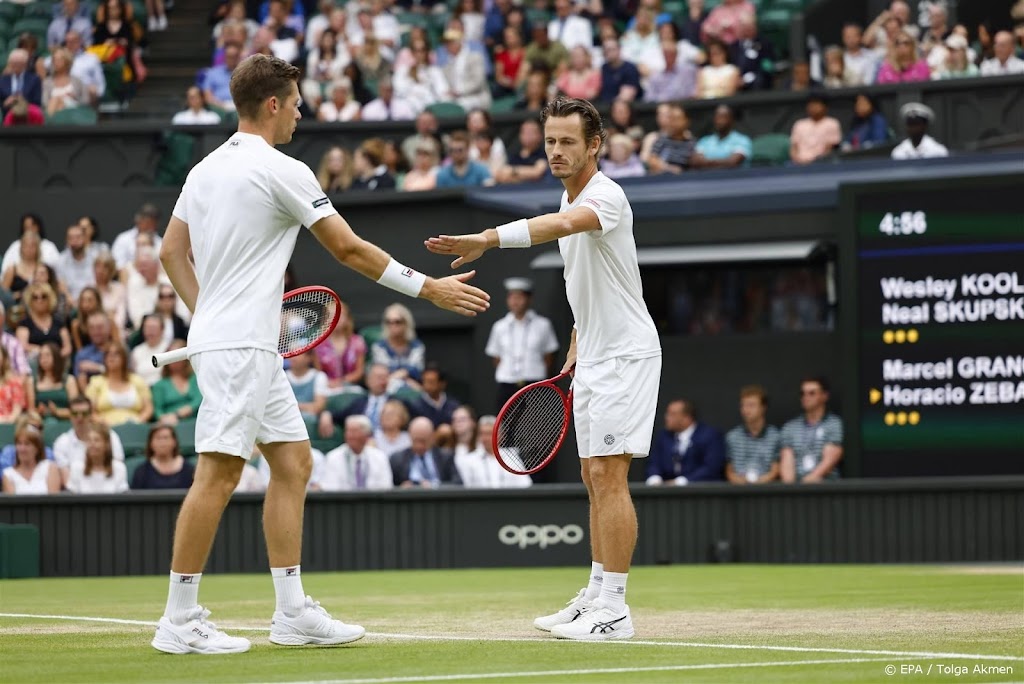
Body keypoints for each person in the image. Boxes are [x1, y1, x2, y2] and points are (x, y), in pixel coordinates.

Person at [151, 54, 489, 654]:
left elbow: (172, 254)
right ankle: (178, 618)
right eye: (298, 102)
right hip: (240, 347)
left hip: (233, 340)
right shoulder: (286, 169)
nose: (303, 112)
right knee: (221, 472)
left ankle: (291, 613)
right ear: (275, 104)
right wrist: (429, 287)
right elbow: (350, 251)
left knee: (294, 463)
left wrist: (206, 316)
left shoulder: (203, 169)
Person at [426, 96, 662, 641]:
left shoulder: (606, 197)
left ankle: (617, 609)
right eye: (550, 141)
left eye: (567, 142)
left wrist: (486, 239)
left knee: (610, 476)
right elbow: (591, 285)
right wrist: (578, 339)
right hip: (597, 352)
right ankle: (597, 594)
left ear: (594, 145)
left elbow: (556, 227)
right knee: (592, 477)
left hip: (626, 355)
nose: (556, 151)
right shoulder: (568, 191)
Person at [485, 277, 559, 411]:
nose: (515, 302)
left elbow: (549, 356)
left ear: (529, 299)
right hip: (507, 383)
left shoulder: (543, 325)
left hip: (535, 382)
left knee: (536, 422)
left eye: (519, 297)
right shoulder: (499, 327)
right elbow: (496, 357)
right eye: (512, 297)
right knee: (506, 423)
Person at [645, 399, 724, 484]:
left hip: (700, 491)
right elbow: (654, 462)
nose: (666, 417)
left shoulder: (709, 436)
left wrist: (681, 482)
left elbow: (711, 467)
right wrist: (654, 479)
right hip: (666, 491)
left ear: (687, 417)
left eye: (672, 414)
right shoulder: (664, 436)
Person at [780, 376, 843, 482]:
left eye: (812, 393)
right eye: (803, 393)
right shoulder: (790, 427)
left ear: (824, 396)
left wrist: (809, 483)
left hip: (826, 488)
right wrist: (791, 490)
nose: (806, 397)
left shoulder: (833, 423)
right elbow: (787, 462)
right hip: (796, 491)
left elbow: (831, 457)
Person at [52, 396, 127, 482]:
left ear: (91, 415)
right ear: (70, 415)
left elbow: (117, 470)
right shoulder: (61, 442)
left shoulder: (110, 436)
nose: (79, 418)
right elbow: (68, 481)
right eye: (75, 413)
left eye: (84, 413)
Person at [455, 414, 531, 488]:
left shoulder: (512, 458)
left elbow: (525, 485)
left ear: (501, 435)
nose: (485, 438)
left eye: (489, 433)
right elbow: (465, 490)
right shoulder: (468, 460)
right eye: (482, 433)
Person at [321, 414, 393, 491]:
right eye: (348, 431)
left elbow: (386, 487)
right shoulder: (333, 457)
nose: (350, 436)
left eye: (354, 432)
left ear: (366, 435)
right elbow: (330, 489)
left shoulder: (380, 457)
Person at [724, 385, 780, 484]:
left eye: (751, 405)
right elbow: (729, 470)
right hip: (738, 491)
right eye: (743, 405)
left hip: (766, 491)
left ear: (763, 407)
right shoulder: (732, 436)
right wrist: (739, 481)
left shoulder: (775, 436)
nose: (746, 410)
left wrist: (759, 482)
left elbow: (776, 469)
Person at [389, 416, 462, 487]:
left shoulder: (445, 457)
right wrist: (400, 489)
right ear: (410, 436)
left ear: (432, 437)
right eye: (415, 441)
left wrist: (434, 486)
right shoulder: (397, 459)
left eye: (423, 441)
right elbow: (388, 486)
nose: (419, 446)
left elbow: (458, 483)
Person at [370, 303, 426, 391]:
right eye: (389, 322)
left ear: (406, 323)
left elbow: (417, 370)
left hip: (412, 389)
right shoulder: (379, 347)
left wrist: (402, 376)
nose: (393, 326)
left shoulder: (417, 346)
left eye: (397, 322)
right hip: (387, 389)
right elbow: (383, 373)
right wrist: (404, 376)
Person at [313, 300, 365, 391]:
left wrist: (342, 382)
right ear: (325, 319)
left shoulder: (357, 341)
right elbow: (319, 372)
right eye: (331, 315)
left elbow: (359, 372)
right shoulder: (318, 343)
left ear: (347, 319)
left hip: (351, 387)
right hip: (326, 387)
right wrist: (329, 384)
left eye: (340, 315)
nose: (336, 318)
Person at [66, 421, 130, 494]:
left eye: (96, 440)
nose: (92, 444)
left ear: (106, 444)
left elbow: (123, 500)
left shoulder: (119, 468)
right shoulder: (76, 467)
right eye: (89, 440)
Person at [151, 340, 203, 426]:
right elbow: (157, 410)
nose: (173, 360)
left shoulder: (195, 378)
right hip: (171, 424)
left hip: (197, 422)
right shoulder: (160, 385)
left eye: (175, 356)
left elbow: (200, 399)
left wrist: (188, 409)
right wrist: (164, 418)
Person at [131, 425, 196, 490]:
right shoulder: (142, 471)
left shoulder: (189, 469)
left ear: (174, 442)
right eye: (158, 438)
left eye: (166, 438)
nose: (162, 442)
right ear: (150, 443)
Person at [1, 423, 60, 494]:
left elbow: (53, 501)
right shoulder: (8, 474)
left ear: (37, 448)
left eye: (27, 444)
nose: (22, 449)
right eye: (19, 444)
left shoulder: (50, 468)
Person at [691, 104, 752, 170]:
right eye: (717, 117)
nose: (719, 121)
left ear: (731, 119)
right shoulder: (704, 141)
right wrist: (722, 162)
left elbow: (732, 162)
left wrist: (706, 162)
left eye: (723, 117)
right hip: (707, 179)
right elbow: (695, 161)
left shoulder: (742, 140)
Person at [29, 341, 79, 421]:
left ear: (56, 357)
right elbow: (30, 410)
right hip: (40, 422)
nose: (43, 359)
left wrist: (57, 411)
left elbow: (76, 410)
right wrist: (38, 412)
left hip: (65, 422)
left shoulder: (69, 380)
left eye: (47, 355)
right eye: (41, 356)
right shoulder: (32, 381)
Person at [789, 94, 842, 165]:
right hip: (798, 163)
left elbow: (829, 149)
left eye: (816, 104)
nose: (813, 107)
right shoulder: (799, 124)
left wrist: (815, 162)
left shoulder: (832, 123)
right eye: (811, 105)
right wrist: (797, 160)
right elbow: (794, 148)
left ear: (824, 107)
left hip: (821, 164)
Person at [0, 346, 28, 424]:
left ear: (4, 358)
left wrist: (5, 421)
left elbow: (16, 413)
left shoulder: (14, 384)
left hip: (7, 426)